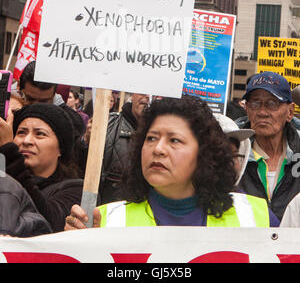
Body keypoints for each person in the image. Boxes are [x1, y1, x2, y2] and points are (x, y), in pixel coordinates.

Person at [65, 96, 273, 230]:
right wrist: (79, 247)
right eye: (151, 138)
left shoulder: (256, 217)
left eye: (174, 140)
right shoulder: (103, 221)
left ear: (204, 153)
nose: (158, 149)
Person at [0, 103, 83, 232]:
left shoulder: (75, 189)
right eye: (21, 132)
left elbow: (48, 222)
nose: (27, 141)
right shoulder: (4, 175)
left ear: (61, 149)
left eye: (40, 134)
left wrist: (9, 153)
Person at [236, 71, 300, 222]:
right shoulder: (232, 152)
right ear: (247, 109)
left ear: (290, 112)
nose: (262, 112)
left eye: (272, 104)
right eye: (255, 103)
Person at [77, 92, 150, 204]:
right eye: (143, 91)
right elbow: (80, 166)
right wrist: (87, 141)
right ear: (132, 95)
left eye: (153, 94)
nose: (147, 97)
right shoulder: (107, 123)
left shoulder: (162, 131)